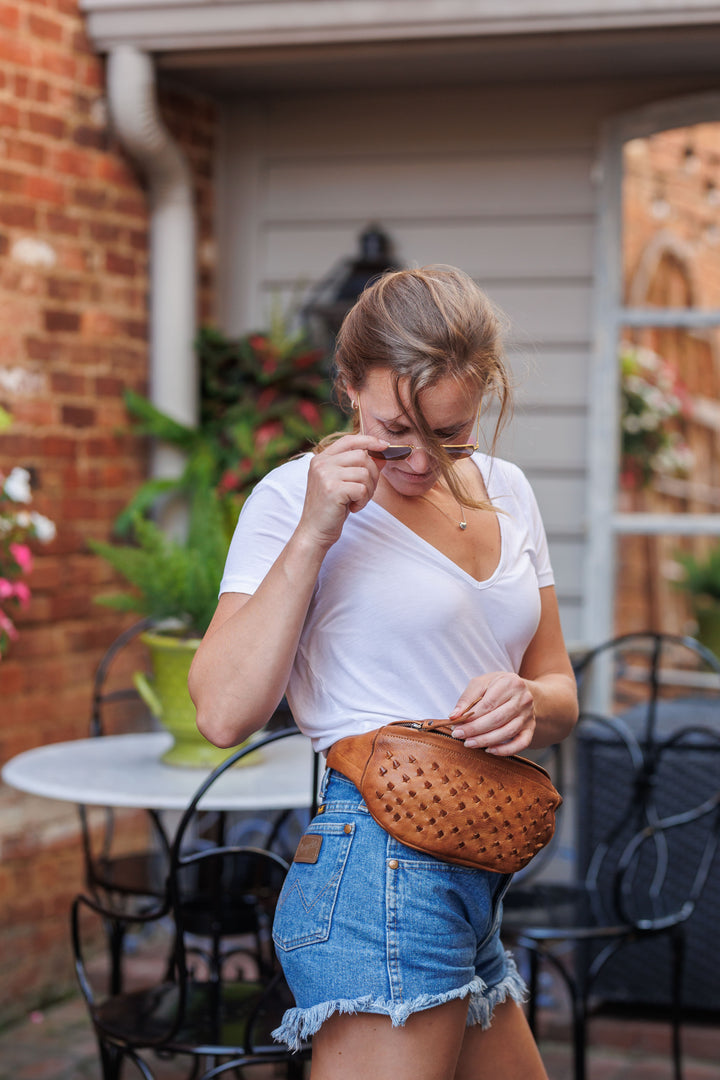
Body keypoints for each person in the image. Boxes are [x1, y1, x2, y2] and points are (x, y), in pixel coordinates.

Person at [189, 265, 579, 1080]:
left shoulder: (508, 492)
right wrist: (314, 532)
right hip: (376, 868)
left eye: (454, 433)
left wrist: (525, 701)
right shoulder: (292, 498)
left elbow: (561, 694)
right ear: (346, 388)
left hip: (475, 867)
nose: (422, 461)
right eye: (396, 433)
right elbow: (224, 712)